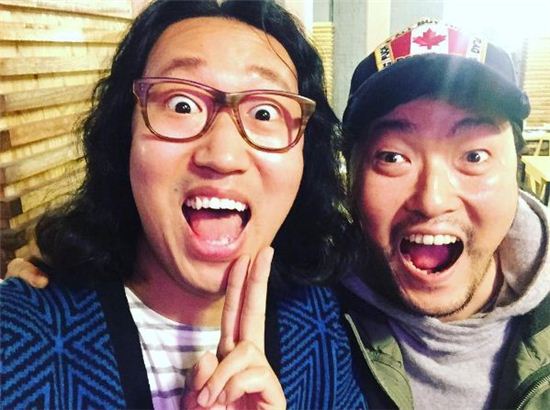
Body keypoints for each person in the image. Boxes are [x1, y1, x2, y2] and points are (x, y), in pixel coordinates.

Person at [0, 1, 366, 409]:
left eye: (265, 112)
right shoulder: (19, 342)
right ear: (124, 138)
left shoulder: (323, 320)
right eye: (181, 105)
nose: (222, 155)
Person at [339, 19, 549, 409]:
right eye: (392, 157)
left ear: (516, 171)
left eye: (474, 156)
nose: (432, 200)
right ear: (350, 176)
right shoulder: (301, 324)